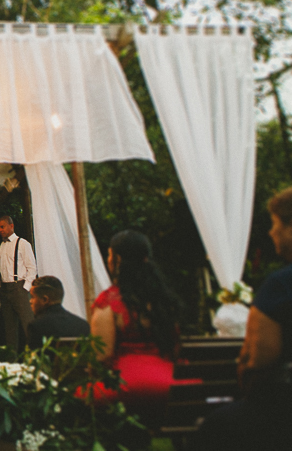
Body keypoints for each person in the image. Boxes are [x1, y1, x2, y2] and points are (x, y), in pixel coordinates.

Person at [195, 188, 292, 450]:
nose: (271, 233)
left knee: (215, 430)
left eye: (275, 224)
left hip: (281, 411)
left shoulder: (280, 287)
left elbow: (258, 358)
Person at [90, 230, 182, 427]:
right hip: (172, 385)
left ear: (117, 259)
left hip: (127, 385)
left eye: (109, 254)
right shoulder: (163, 300)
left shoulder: (109, 302)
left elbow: (102, 356)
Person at [0, 216, 36, 351]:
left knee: (28, 324)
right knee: (9, 328)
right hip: (5, 289)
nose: (0, 230)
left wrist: (25, 288)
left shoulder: (22, 243)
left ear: (11, 226)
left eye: (2, 227)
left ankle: (35, 356)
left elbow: (32, 268)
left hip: (19, 287)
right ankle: (12, 359)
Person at [26, 276, 90, 349]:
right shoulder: (82, 325)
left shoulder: (37, 327)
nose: (30, 301)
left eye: (33, 297)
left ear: (44, 300)